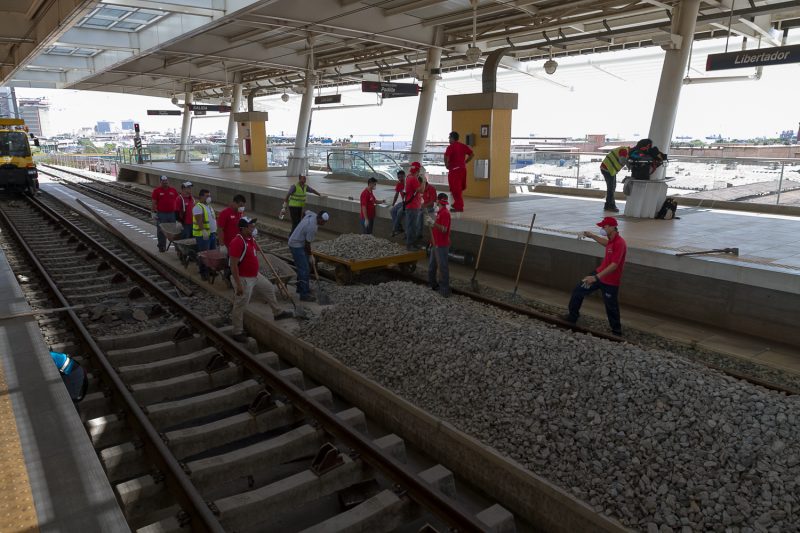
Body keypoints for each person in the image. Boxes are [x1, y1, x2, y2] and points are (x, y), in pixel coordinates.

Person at [229, 217, 293, 342]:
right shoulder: (237, 242)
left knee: (269, 288)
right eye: (250, 226)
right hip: (243, 278)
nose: (253, 228)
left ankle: (277, 312)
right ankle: (237, 331)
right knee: (240, 304)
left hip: (255, 275)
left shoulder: (250, 239)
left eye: (253, 226)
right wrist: (238, 284)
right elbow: (233, 265)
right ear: (243, 229)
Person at [564, 216, 627, 336]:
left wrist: (595, 278)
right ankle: (572, 317)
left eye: (604, 226)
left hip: (610, 281)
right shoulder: (611, 240)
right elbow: (606, 243)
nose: (602, 229)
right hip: (599, 274)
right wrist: (591, 235)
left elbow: (614, 265)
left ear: (613, 227)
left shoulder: (620, 243)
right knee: (578, 291)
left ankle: (616, 332)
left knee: (611, 306)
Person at [288, 210, 329, 301]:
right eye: (323, 221)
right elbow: (307, 244)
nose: (324, 224)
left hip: (299, 242)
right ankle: (304, 295)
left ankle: (300, 287)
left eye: (325, 222)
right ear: (319, 218)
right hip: (296, 245)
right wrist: (311, 255)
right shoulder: (312, 227)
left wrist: (302, 225)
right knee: (304, 269)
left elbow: (305, 212)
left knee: (305, 267)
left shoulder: (312, 214)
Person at [603, 138, 652, 211]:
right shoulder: (624, 150)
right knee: (611, 188)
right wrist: (630, 166)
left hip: (609, 169)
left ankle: (608, 205)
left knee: (612, 187)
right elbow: (622, 160)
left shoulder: (625, 150)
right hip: (607, 169)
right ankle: (611, 206)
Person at [426, 193, 451, 297]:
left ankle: (444, 289)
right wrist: (432, 224)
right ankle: (432, 285)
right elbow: (437, 228)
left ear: (438, 200)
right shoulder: (439, 212)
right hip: (435, 243)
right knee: (432, 266)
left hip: (442, 245)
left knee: (442, 267)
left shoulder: (445, 213)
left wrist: (433, 223)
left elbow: (444, 229)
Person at [444, 131, 474, 212]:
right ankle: (457, 203)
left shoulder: (451, 147)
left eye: (449, 138)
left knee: (455, 189)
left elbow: (446, 156)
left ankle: (459, 206)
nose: (449, 139)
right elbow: (472, 154)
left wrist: (446, 165)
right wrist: (465, 162)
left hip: (454, 170)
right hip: (462, 170)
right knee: (459, 188)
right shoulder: (463, 146)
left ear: (452, 138)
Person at [192, 188, 217, 281]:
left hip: (212, 234)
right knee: (204, 254)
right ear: (201, 196)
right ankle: (203, 272)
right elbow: (199, 221)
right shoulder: (198, 207)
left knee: (211, 253)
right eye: (207, 196)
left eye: (209, 195)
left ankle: (210, 270)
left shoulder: (209, 206)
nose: (209, 197)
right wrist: (203, 231)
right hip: (203, 235)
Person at [151, 175, 179, 252]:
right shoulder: (156, 191)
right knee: (161, 231)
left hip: (172, 214)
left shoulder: (173, 190)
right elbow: (154, 202)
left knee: (173, 231)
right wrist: (153, 212)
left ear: (168, 181)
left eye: (166, 181)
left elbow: (178, 200)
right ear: (160, 182)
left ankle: (176, 247)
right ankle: (162, 246)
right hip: (161, 214)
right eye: (163, 182)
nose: (165, 183)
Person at [404, 162, 423, 250]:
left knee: (410, 225)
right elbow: (421, 190)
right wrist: (423, 181)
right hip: (413, 206)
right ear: (418, 170)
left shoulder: (408, 177)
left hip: (410, 205)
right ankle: (410, 245)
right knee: (412, 226)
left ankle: (411, 243)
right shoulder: (414, 179)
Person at [417, 173, 437, 241]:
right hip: (421, 206)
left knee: (419, 215)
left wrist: (424, 206)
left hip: (429, 207)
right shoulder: (419, 188)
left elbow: (432, 202)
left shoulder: (431, 189)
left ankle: (418, 234)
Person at [390, 169, 406, 236]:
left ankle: (395, 229)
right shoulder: (399, 184)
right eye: (398, 177)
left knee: (399, 212)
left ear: (405, 176)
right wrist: (393, 204)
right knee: (392, 210)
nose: (400, 178)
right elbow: (396, 195)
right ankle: (399, 228)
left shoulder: (408, 183)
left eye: (401, 177)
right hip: (403, 202)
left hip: (408, 203)